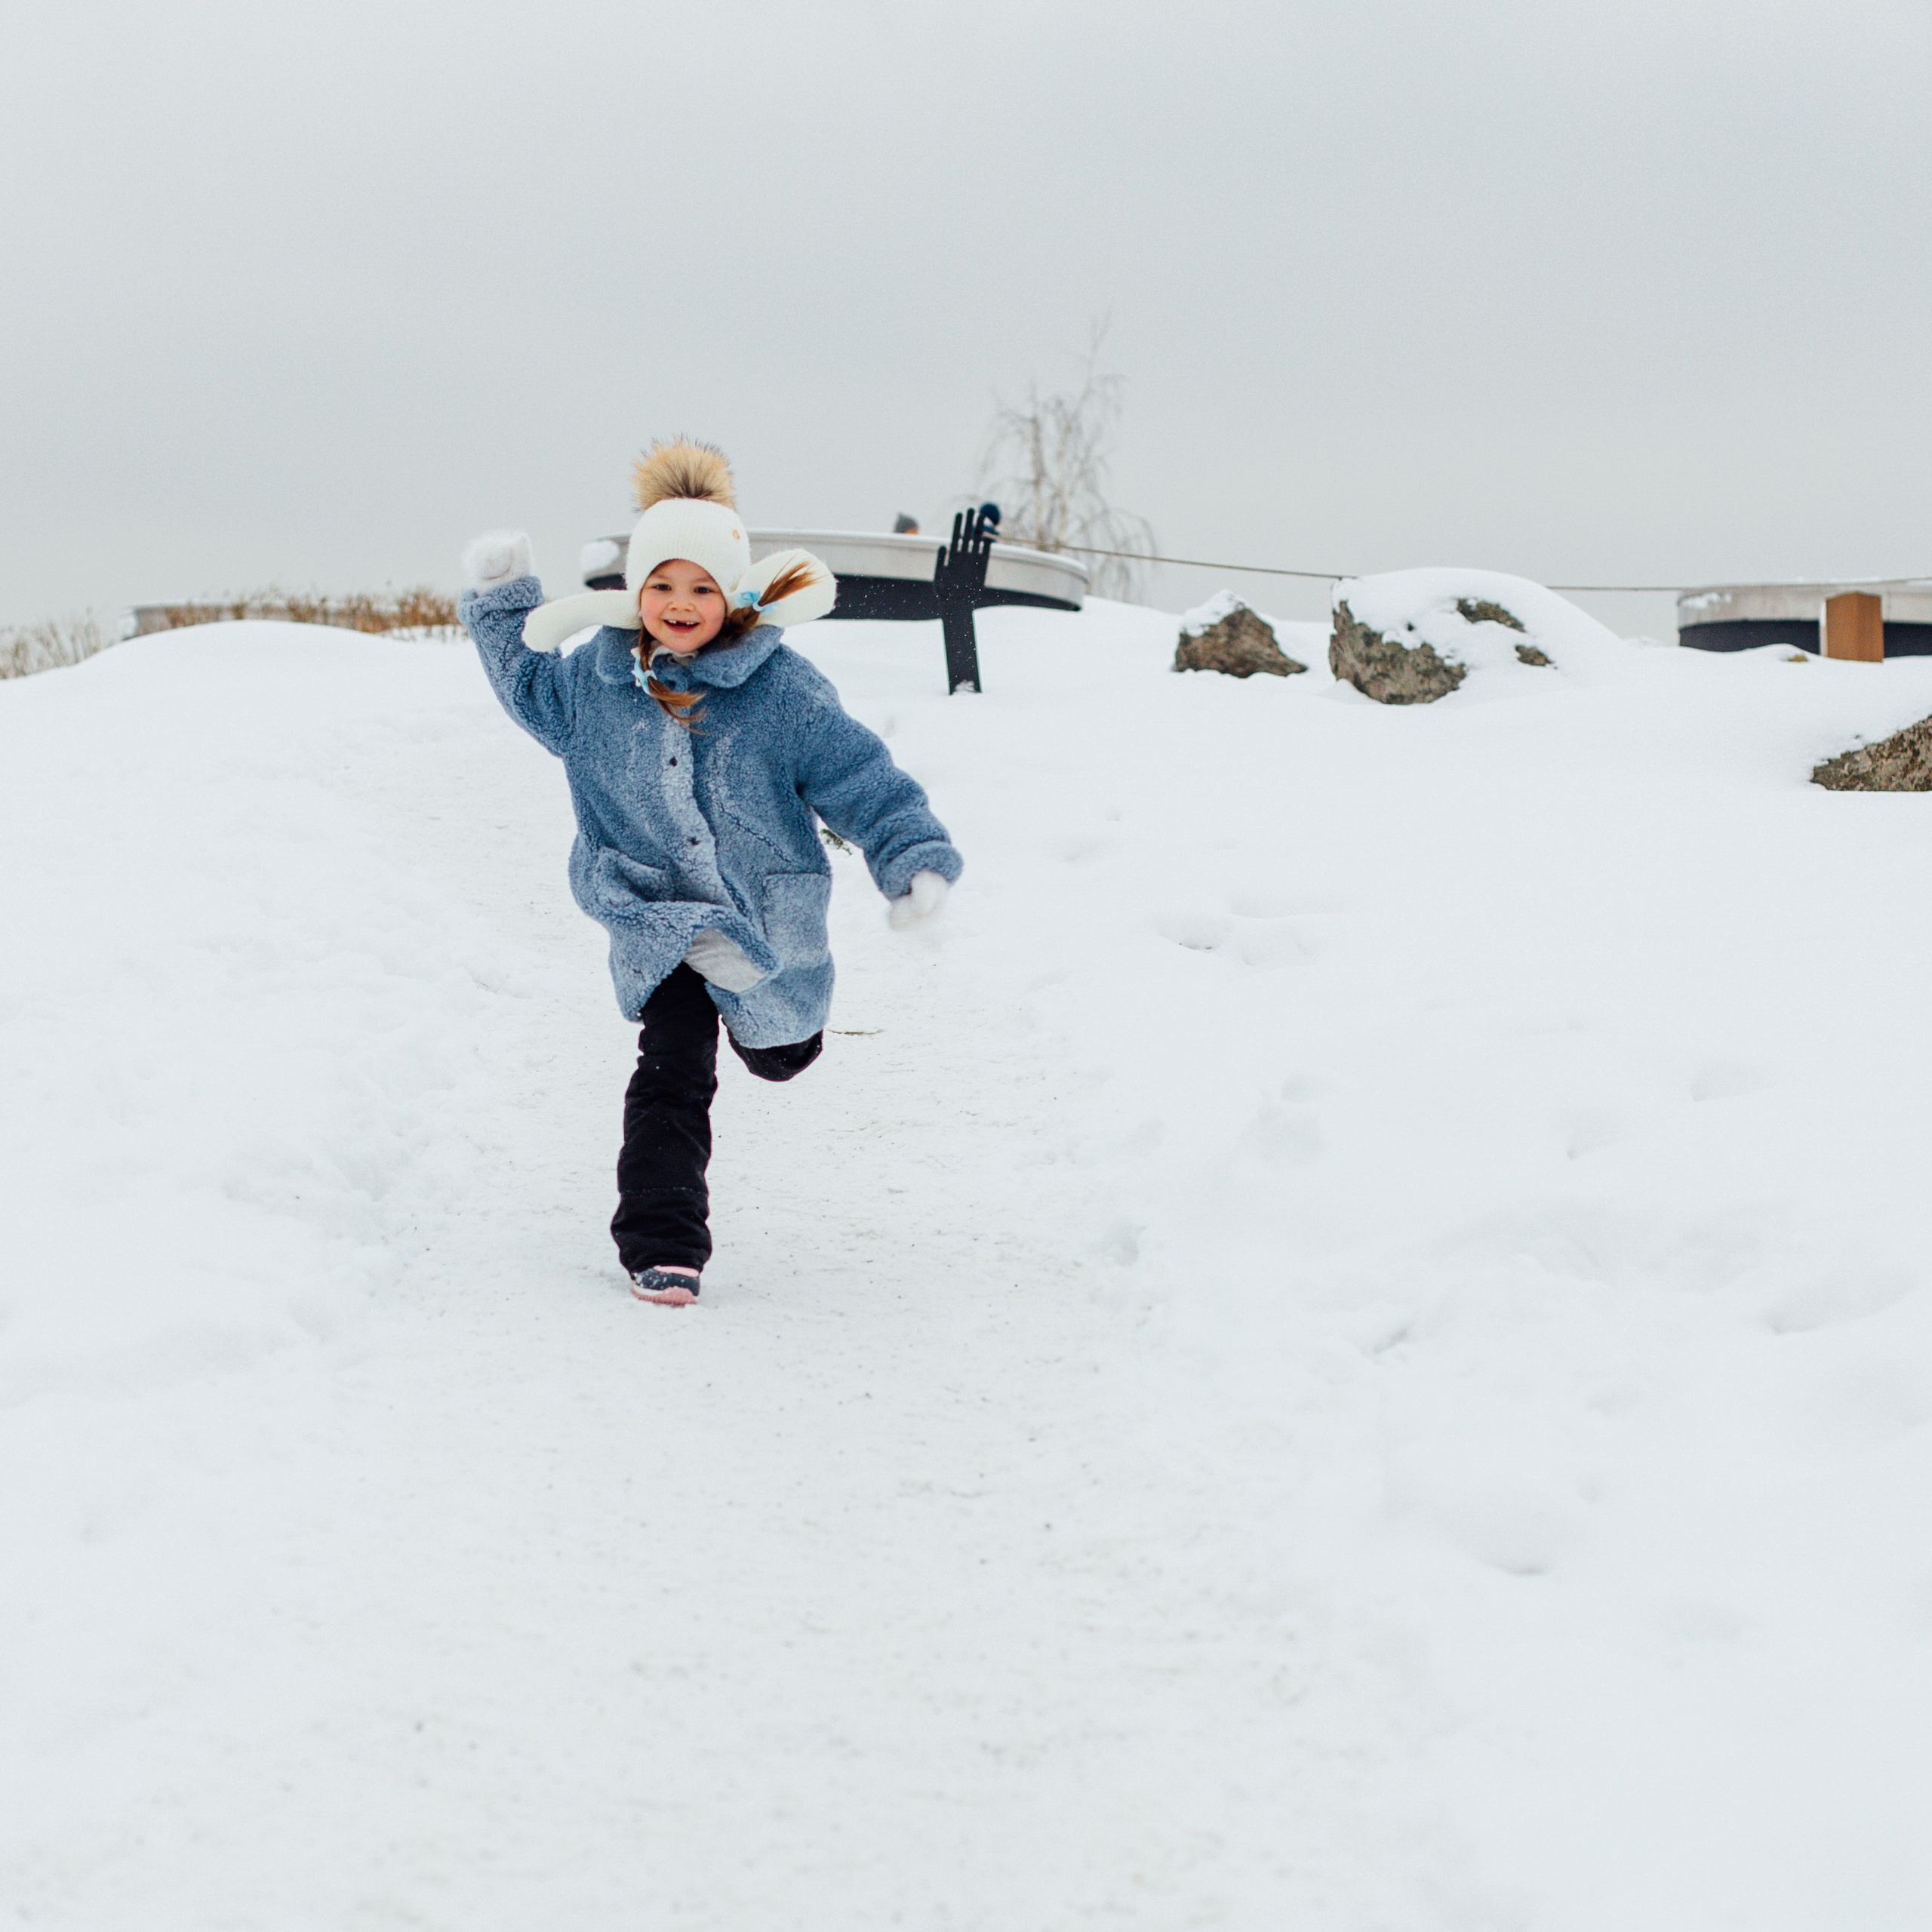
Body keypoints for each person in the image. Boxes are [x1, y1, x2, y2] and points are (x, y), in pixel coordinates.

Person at [459, 439, 961, 1307]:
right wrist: (504, 598)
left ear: (732, 595)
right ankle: (664, 1243)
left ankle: (770, 1023)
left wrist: (909, 858)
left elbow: (862, 779)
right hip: (661, 918)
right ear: (635, 591)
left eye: (701, 587)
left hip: (766, 922)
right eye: (661, 584)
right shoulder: (596, 683)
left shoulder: (783, 692)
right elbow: (526, 688)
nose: (679, 604)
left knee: (779, 1055)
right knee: (672, 1065)